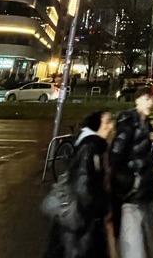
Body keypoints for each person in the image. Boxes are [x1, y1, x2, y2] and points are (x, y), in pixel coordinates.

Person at [44, 110, 115, 258]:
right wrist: (102, 206)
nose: (111, 126)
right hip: (82, 225)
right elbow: (84, 188)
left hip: (85, 223)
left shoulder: (95, 147)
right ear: (97, 126)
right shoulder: (90, 149)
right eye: (107, 122)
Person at [110, 85, 153, 258]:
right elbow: (116, 155)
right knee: (134, 249)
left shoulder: (145, 125)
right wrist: (129, 183)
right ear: (137, 100)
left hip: (145, 196)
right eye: (146, 98)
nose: (150, 102)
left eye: (152, 98)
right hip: (131, 198)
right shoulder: (129, 124)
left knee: (146, 245)